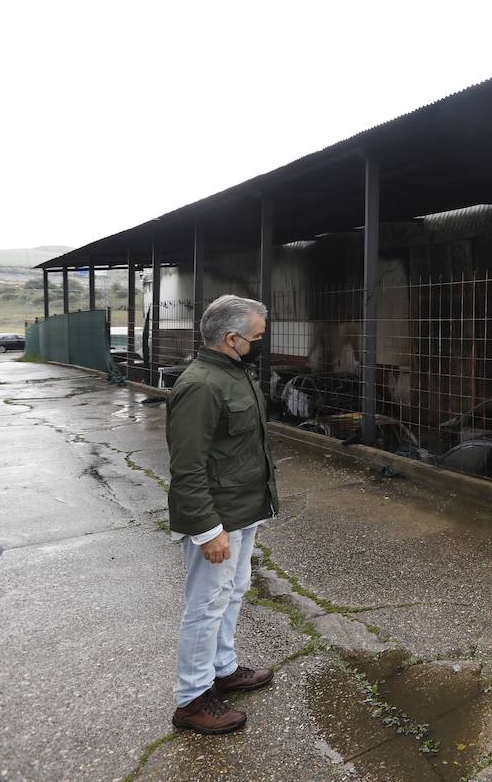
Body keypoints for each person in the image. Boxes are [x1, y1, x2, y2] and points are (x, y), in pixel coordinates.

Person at [166, 294, 279, 733]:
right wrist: (208, 530)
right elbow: (187, 467)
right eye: (256, 338)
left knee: (234, 590)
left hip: (244, 507)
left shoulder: (234, 374)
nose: (260, 343)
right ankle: (192, 698)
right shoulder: (202, 385)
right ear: (232, 339)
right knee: (206, 604)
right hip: (219, 517)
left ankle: (223, 668)